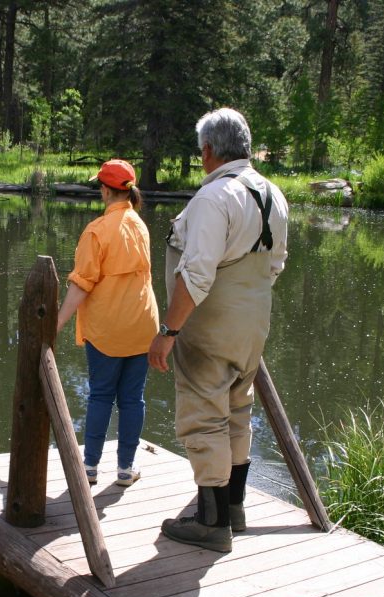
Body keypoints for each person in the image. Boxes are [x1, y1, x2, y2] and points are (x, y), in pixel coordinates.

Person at [148, 108, 289, 553]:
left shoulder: (213, 198)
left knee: (204, 415)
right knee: (237, 408)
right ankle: (233, 508)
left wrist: (168, 331)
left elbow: (196, 276)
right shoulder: (274, 194)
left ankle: (210, 522)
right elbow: (276, 264)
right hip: (254, 320)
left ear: (208, 150)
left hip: (210, 322)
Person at [57, 159, 159, 487]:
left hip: (109, 328)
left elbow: (81, 284)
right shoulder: (139, 225)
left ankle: (88, 469)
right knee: (133, 398)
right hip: (144, 325)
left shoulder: (97, 230)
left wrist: (55, 323)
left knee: (101, 395)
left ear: (104, 190)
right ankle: (126, 470)